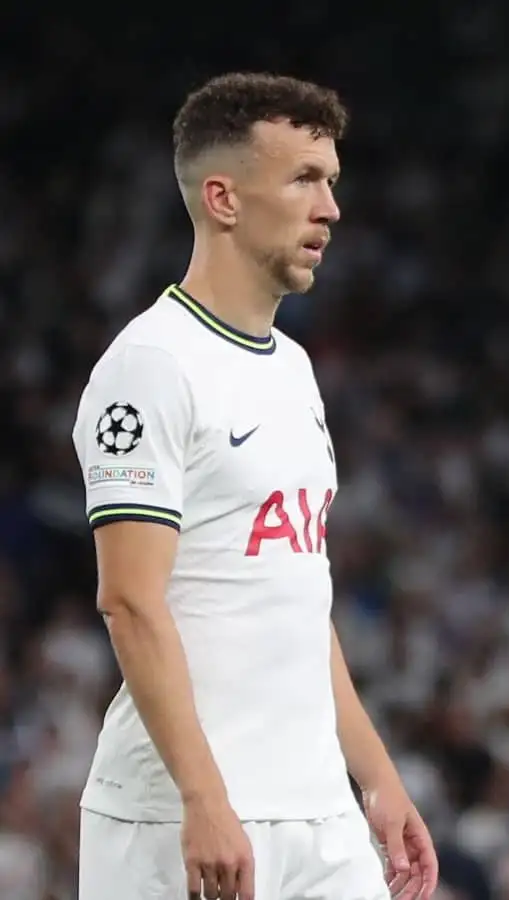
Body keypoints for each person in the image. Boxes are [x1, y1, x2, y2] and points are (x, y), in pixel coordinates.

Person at [71, 72, 438, 900]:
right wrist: (204, 799)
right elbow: (130, 602)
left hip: (316, 811)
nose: (331, 209)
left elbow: (298, 595)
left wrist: (376, 779)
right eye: (305, 180)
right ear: (223, 198)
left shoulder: (296, 370)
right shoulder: (150, 367)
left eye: (332, 182)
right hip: (182, 816)